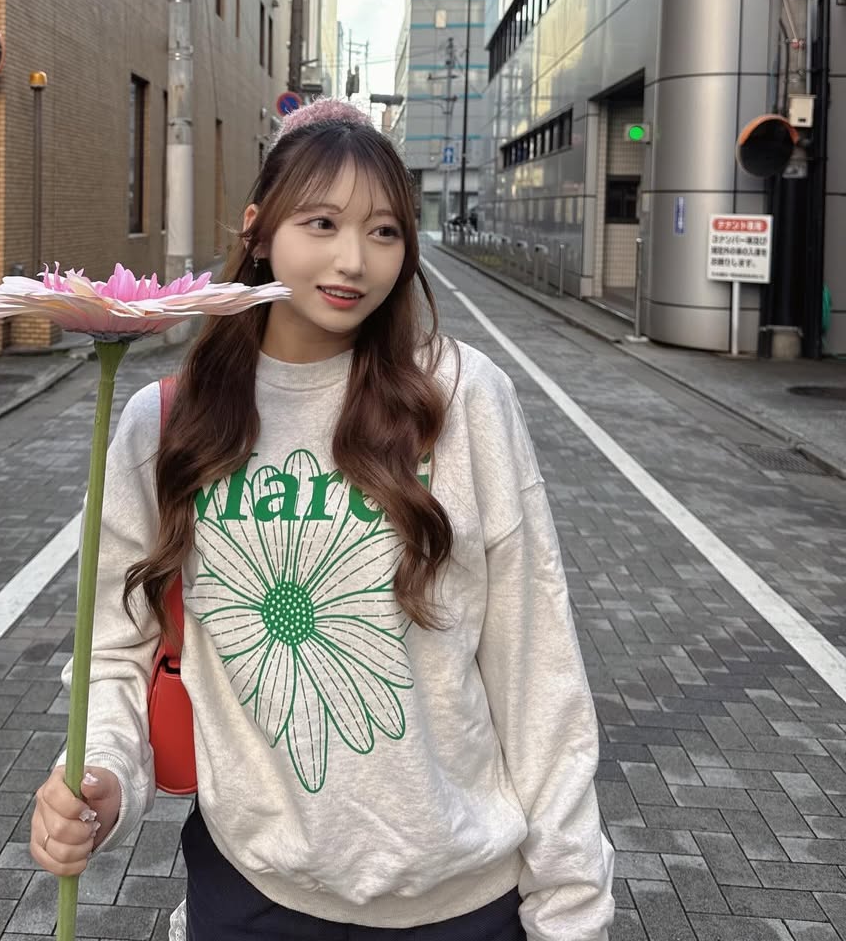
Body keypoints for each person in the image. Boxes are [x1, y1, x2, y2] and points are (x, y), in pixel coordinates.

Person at [30, 99, 615, 941]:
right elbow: (115, 647)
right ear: (259, 229)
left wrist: (571, 907)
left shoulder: (460, 398)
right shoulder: (168, 424)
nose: (354, 260)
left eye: (384, 232)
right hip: (251, 892)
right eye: (322, 222)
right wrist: (101, 777)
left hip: (458, 900)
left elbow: (536, 666)